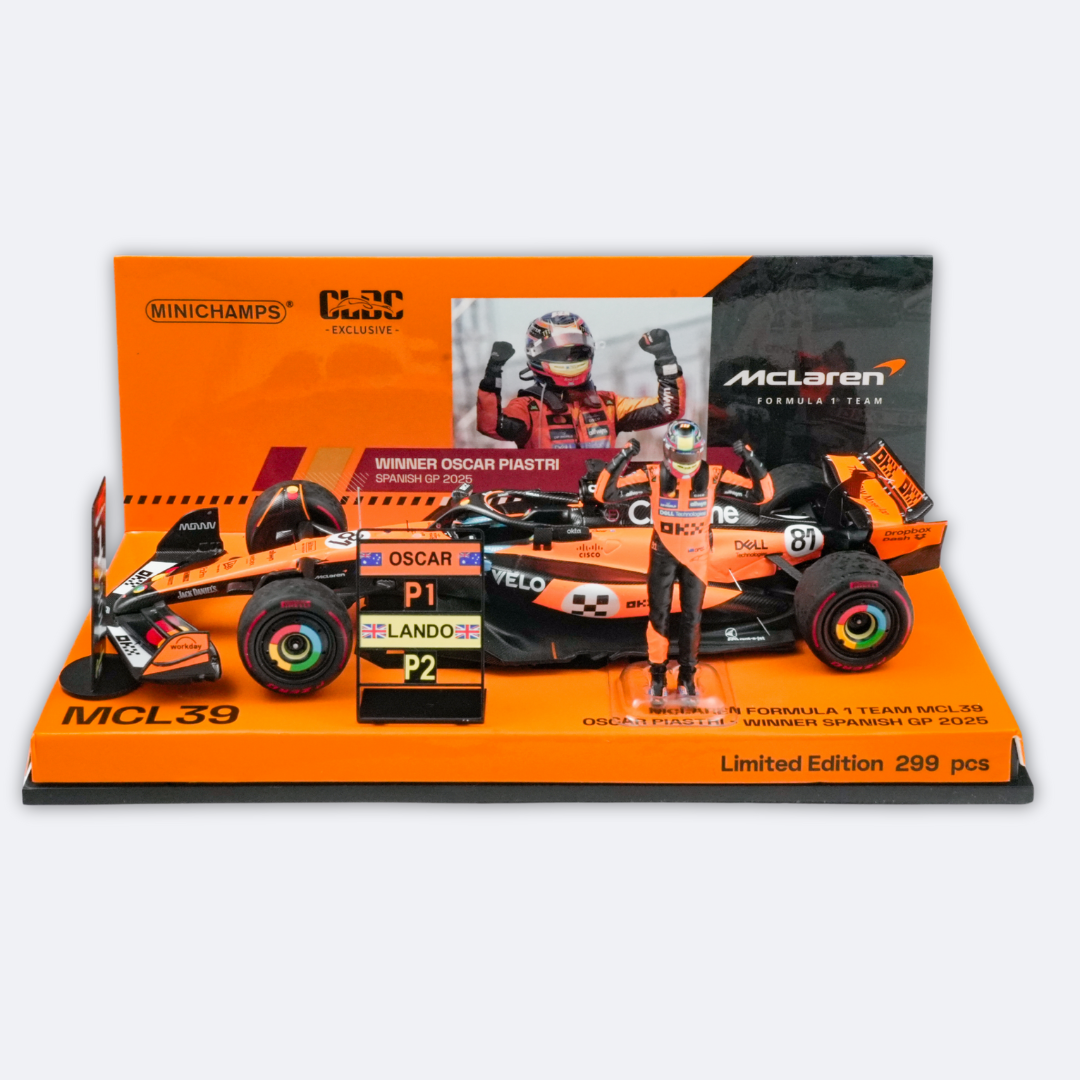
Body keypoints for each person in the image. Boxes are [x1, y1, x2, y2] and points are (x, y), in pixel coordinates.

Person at [594, 419, 774, 699]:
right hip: (662, 554)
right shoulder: (653, 474)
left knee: (692, 618)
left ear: (700, 451)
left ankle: (688, 675)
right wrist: (623, 456)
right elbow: (604, 494)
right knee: (659, 616)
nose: (685, 462)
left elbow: (763, 495)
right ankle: (657, 676)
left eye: (690, 456)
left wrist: (750, 459)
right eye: (680, 455)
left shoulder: (713, 475)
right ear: (668, 450)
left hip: (696, 557)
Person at [476, 311, 685, 449]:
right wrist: (492, 375)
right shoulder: (528, 408)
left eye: (577, 353)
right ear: (536, 355)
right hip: (546, 498)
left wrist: (665, 359)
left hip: (601, 496)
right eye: (560, 354)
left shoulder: (609, 404)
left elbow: (669, 410)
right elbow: (490, 426)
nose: (569, 360)